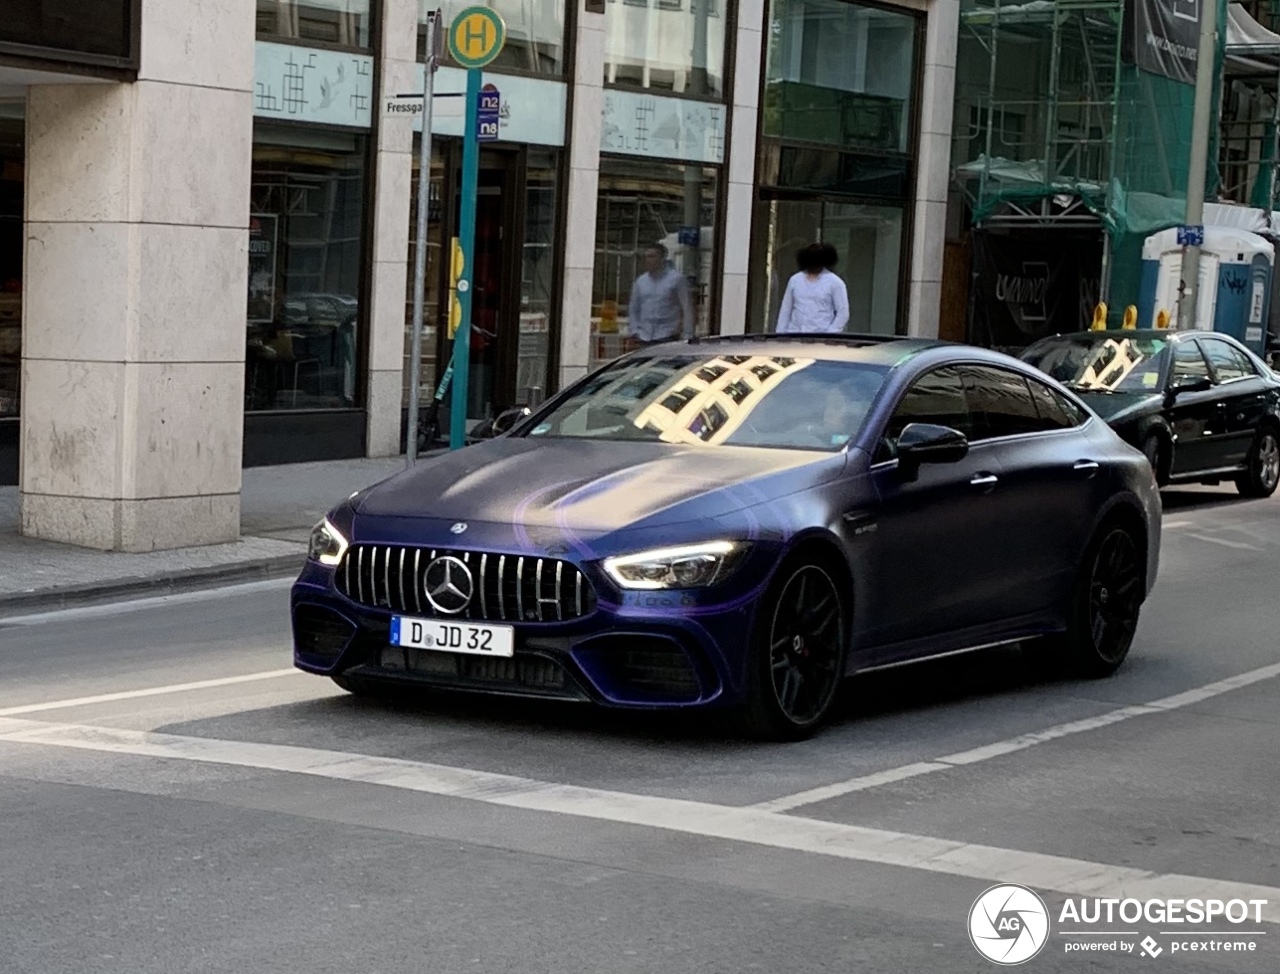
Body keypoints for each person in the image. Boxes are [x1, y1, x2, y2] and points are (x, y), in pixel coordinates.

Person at [626, 243, 694, 346]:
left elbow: (687, 308)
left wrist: (688, 335)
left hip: (667, 335)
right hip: (643, 336)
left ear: (662, 258)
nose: (648, 260)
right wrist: (634, 331)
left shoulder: (677, 279)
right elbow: (634, 308)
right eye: (646, 257)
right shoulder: (640, 281)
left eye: (652, 257)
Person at [775, 242, 850, 334]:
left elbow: (843, 313)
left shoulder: (835, 283)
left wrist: (829, 335)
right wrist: (780, 334)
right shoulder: (795, 280)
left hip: (821, 339)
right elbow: (786, 310)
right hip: (795, 336)